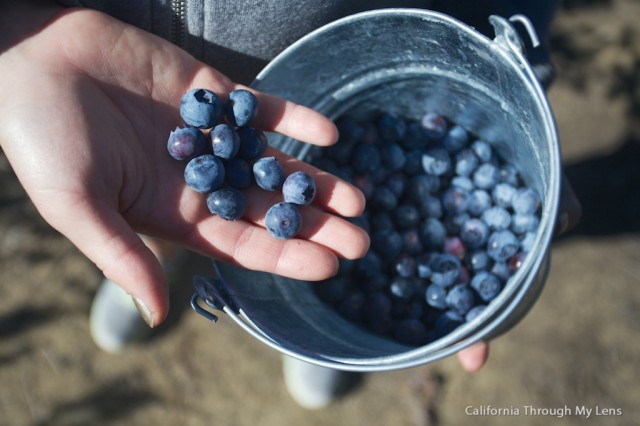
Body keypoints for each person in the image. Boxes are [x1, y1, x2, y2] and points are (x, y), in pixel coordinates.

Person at [0, 0, 580, 409]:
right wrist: (16, 39)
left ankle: (322, 345)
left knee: (309, 243)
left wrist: (491, 48)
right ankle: (156, 255)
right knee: (160, 207)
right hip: (119, 99)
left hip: (307, 95)